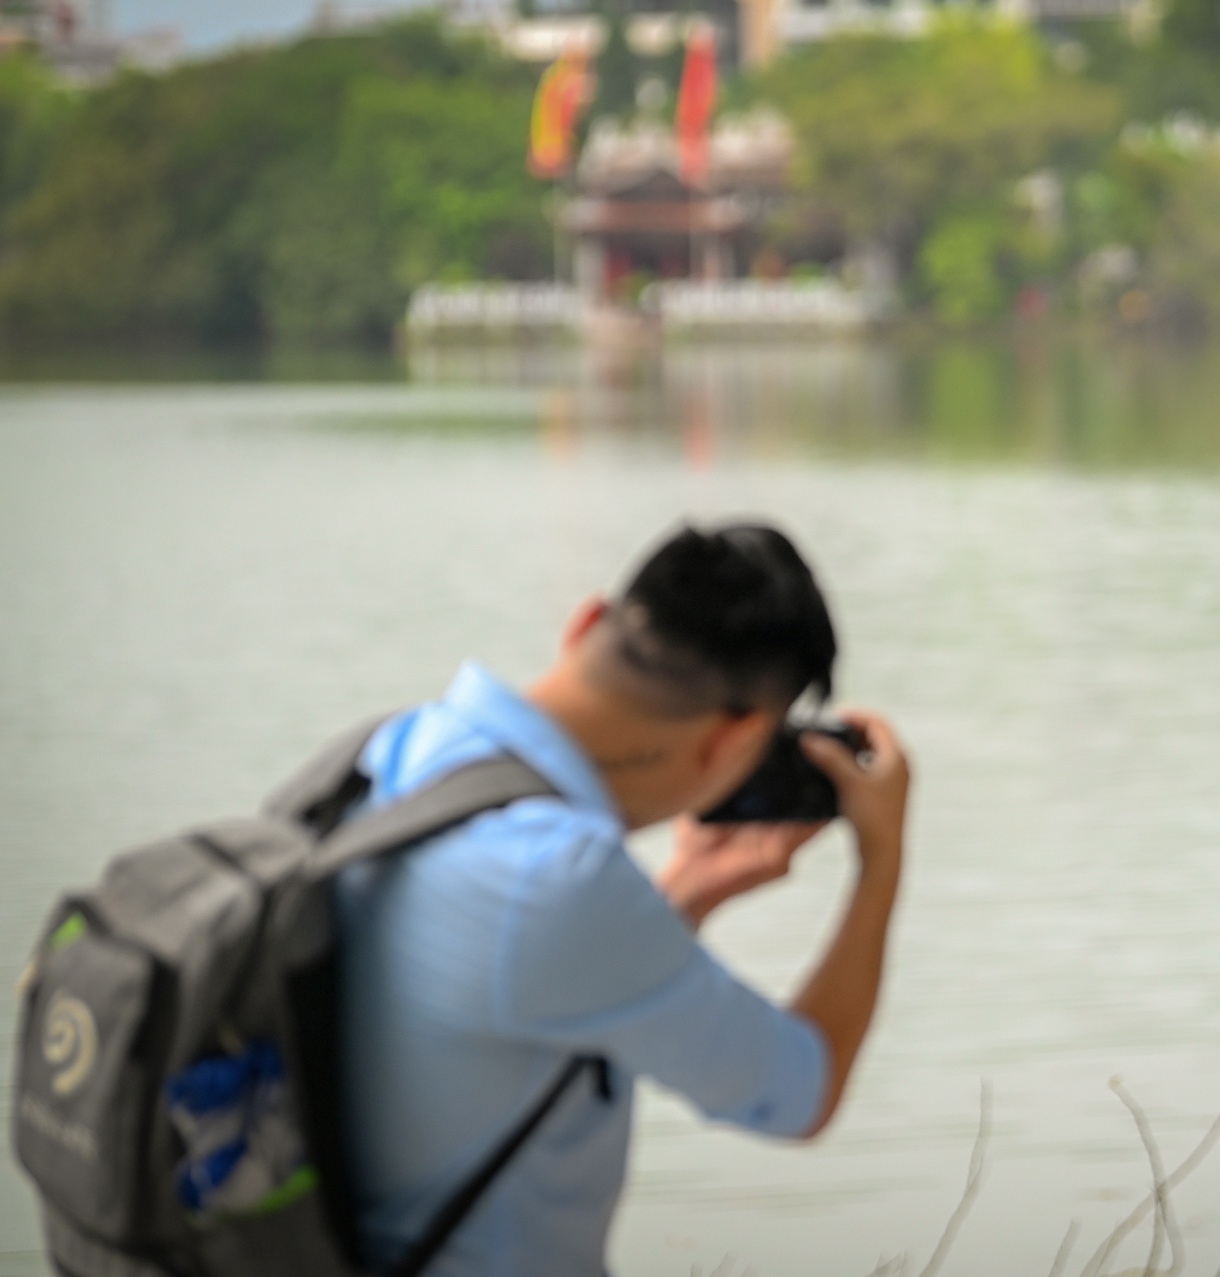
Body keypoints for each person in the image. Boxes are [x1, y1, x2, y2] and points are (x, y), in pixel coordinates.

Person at [334, 522, 909, 1277]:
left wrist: (684, 894)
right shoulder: (560, 881)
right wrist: (882, 857)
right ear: (734, 741)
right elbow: (803, 1089)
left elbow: (509, 994)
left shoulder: (397, 751)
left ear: (584, 623)